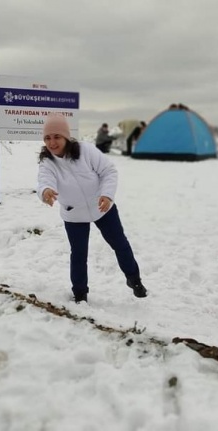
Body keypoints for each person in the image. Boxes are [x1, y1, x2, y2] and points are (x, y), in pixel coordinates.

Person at [37, 114, 148, 303]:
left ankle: (134, 280)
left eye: (57, 137)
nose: (52, 142)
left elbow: (108, 171)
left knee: (120, 244)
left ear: (66, 137)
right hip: (74, 214)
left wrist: (107, 194)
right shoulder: (47, 162)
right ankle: (80, 293)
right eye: (48, 138)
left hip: (102, 207)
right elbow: (44, 181)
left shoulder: (86, 151)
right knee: (79, 255)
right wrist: (46, 191)